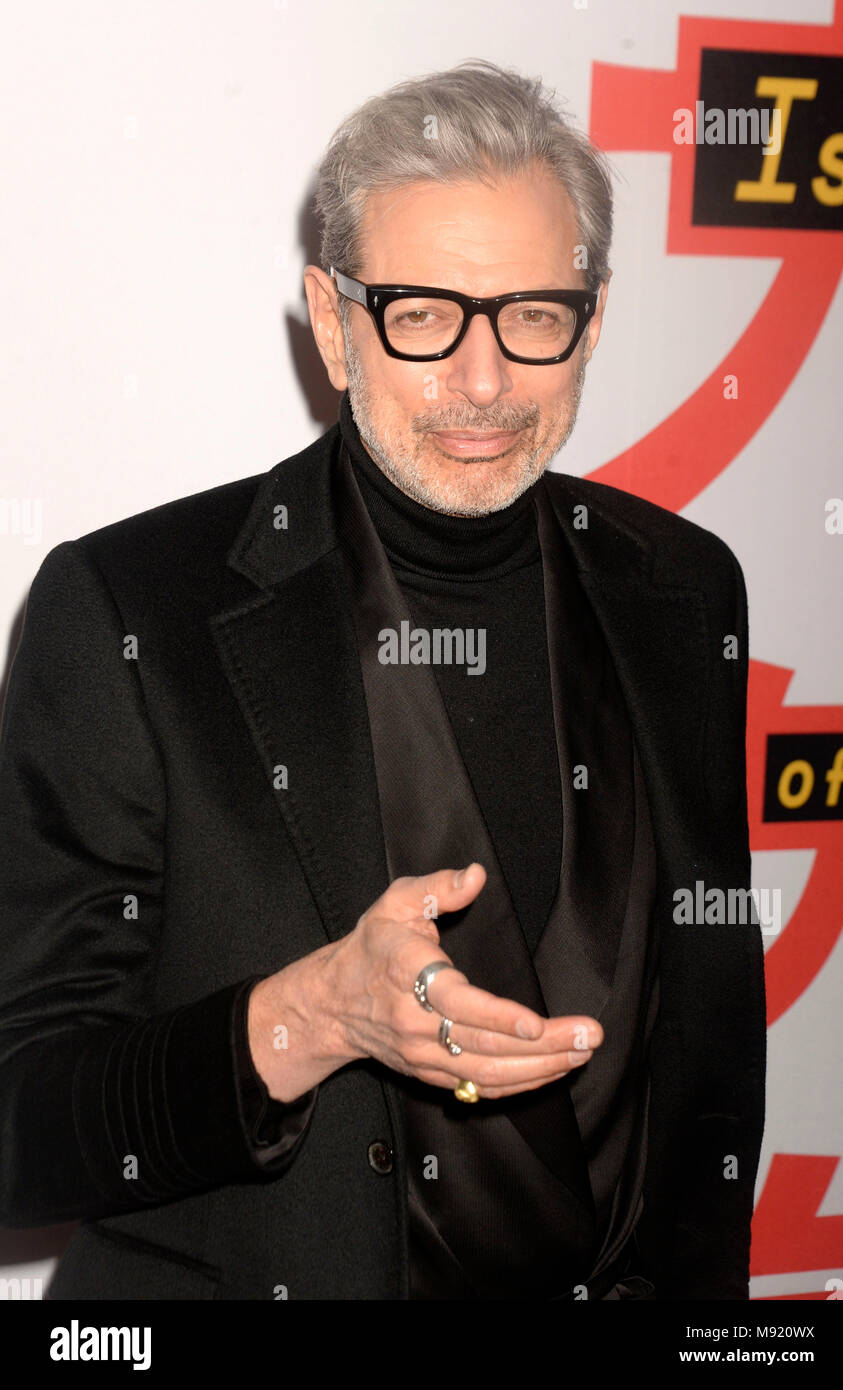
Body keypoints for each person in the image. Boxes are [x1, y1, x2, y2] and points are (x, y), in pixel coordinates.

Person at [0, 60, 766, 1301]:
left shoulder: (684, 589)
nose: (483, 382)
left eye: (533, 313)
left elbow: (703, 1061)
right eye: (421, 312)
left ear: (595, 314)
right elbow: (20, 1126)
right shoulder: (131, 609)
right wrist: (312, 1020)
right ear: (333, 317)